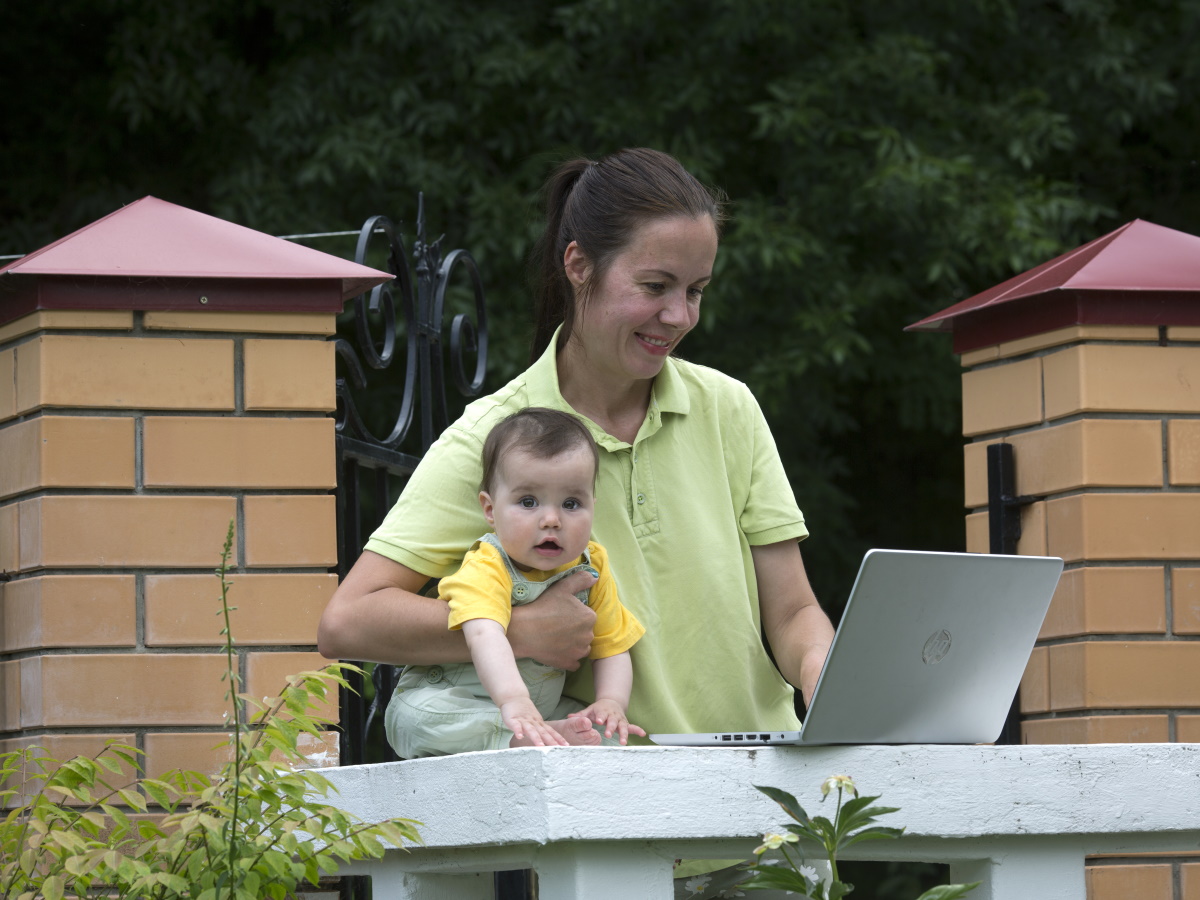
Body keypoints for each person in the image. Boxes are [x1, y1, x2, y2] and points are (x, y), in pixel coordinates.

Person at [319, 146, 835, 899]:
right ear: (578, 265)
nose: (679, 316)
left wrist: (826, 675)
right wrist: (516, 632)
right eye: (655, 286)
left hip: (766, 817)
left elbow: (791, 612)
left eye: (696, 290)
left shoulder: (731, 409)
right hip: (608, 837)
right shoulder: (493, 438)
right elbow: (348, 620)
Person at [384, 407, 646, 757]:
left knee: (607, 736)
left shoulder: (592, 565)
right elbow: (484, 633)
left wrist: (611, 702)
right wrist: (514, 701)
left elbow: (612, 645)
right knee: (417, 720)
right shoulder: (488, 563)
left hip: (534, 710)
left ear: (593, 507)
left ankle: (541, 732)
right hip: (453, 698)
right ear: (490, 510)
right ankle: (516, 734)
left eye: (571, 503)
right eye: (528, 502)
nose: (551, 519)